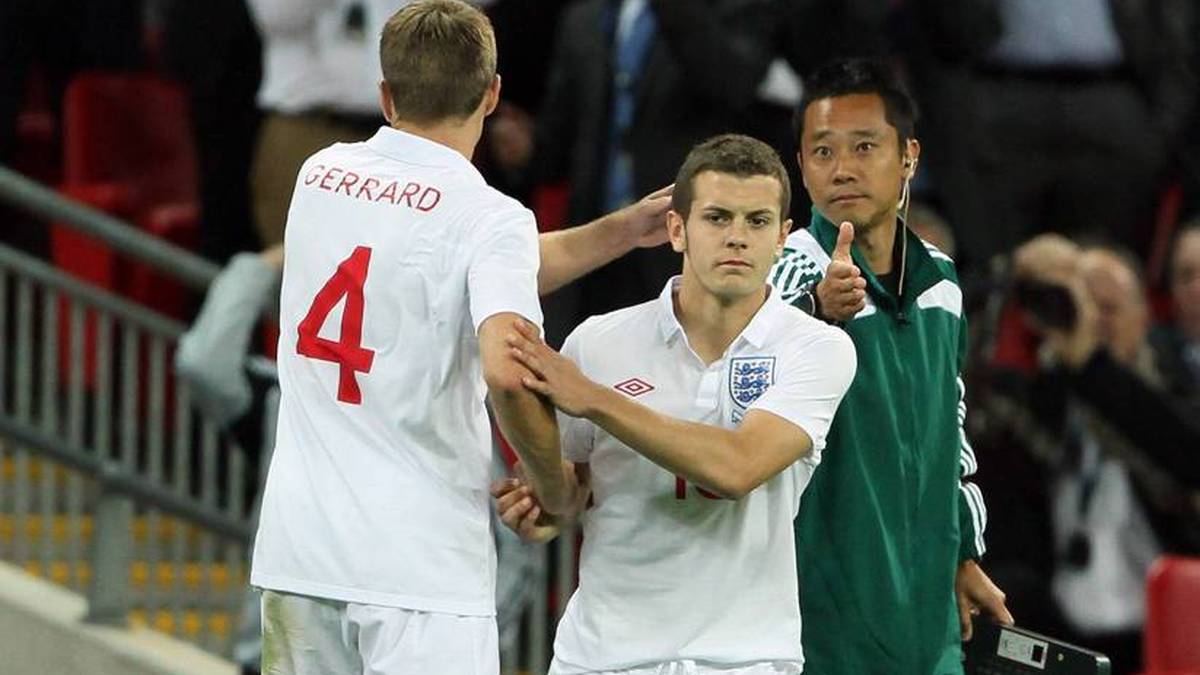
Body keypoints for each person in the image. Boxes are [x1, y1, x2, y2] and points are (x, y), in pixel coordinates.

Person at [248, 3, 670, 673]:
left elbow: (467, 259)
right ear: (493, 93)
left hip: (300, 557)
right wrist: (554, 484)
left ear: (386, 96)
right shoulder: (486, 217)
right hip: (420, 567)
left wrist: (619, 230)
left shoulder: (321, 175)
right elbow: (507, 366)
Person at [493, 133, 856, 675]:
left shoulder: (817, 348)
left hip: (744, 660)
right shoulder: (598, 342)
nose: (737, 237)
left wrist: (595, 400)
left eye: (757, 221)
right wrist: (543, 502)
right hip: (602, 657)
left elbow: (737, 467)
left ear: (783, 237)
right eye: (717, 217)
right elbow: (570, 488)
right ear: (676, 229)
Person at [768, 59, 1012, 673]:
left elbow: (947, 422)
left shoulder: (942, 280)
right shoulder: (786, 270)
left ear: (909, 157)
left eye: (864, 147)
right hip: (819, 629)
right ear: (800, 166)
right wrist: (814, 312)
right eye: (821, 151)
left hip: (929, 623)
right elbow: (736, 371)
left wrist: (962, 552)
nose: (841, 168)